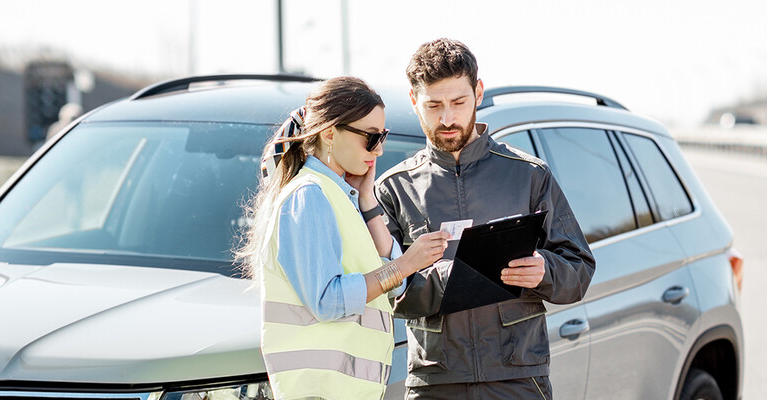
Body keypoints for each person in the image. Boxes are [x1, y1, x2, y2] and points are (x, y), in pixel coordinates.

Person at [375, 38, 596, 399]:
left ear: (478, 93)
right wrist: (455, 275)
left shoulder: (529, 175)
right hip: (435, 383)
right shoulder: (393, 189)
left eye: (458, 102)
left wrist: (545, 271)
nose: (447, 118)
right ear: (415, 101)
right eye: (433, 105)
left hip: (519, 380)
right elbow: (381, 290)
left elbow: (580, 270)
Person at [237, 76, 450, 400]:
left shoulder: (338, 195)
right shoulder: (309, 197)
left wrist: (368, 203)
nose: (379, 149)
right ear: (328, 134)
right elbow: (328, 300)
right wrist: (405, 264)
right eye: (371, 137)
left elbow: (395, 288)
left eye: (383, 137)